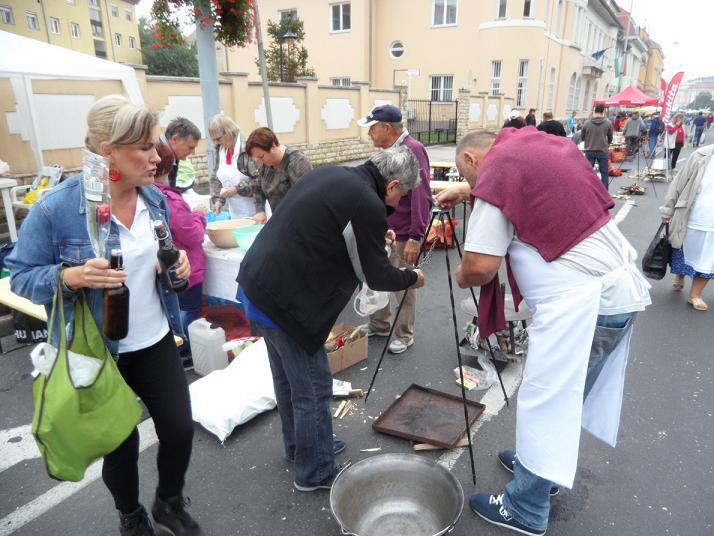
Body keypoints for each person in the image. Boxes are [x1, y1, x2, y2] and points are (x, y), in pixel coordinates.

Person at [435, 128, 650, 536]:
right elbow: (520, 194)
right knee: (562, 401)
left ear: (474, 160)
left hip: (585, 309)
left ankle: (525, 506)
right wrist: (466, 191)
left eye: (466, 174)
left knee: (548, 401)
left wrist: (462, 275)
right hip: (614, 295)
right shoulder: (527, 149)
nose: (473, 184)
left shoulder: (497, 174)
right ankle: (538, 470)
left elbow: (480, 267)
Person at [5, 95, 201, 536]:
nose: (157, 157)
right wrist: (71, 276)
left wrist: (175, 265)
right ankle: (130, 515)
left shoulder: (154, 198)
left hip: (154, 339)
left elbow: (160, 254)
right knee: (120, 443)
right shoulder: (56, 208)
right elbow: (20, 278)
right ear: (107, 150)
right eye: (145, 148)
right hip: (98, 351)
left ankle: (168, 502)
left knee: (179, 429)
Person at [237, 146, 425, 492]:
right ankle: (316, 470)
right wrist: (412, 277)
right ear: (392, 184)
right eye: (402, 195)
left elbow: (334, 230)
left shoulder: (335, 174)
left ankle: (303, 447)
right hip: (284, 303)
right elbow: (377, 276)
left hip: (257, 285)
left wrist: (374, 235)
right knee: (313, 388)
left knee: (289, 380)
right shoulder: (366, 202)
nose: (400, 203)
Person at [356, 104, 432, 354]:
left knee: (403, 284)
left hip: (403, 230)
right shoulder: (386, 151)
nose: (369, 133)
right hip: (383, 227)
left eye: (372, 128)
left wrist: (415, 236)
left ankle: (404, 333)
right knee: (376, 276)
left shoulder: (413, 149)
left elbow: (422, 195)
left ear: (387, 127)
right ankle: (379, 323)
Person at [154, 141, 208, 365]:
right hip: (184, 267)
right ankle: (183, 350)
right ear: (167, 167)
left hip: (166, 266)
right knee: (187, 309)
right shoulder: (169, 199)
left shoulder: (147, 195)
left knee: (175, 309)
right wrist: (199, 215)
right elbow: (192, 235)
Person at [661, 144, 714, 311]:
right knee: (683, 253)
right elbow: (679, 184)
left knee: (708, 260)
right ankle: (680, 274)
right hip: (691, 217)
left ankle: (695, 295)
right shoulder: (701, 156)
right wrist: (668, 210)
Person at [245, 126, 312, 224]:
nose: (260, 161)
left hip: (299, 222)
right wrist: (260, 210)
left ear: (273, 146)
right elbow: (257, 187)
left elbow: (307, 198)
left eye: (262, 156)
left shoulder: (296, 162)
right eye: (257, 158)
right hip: (280, 221)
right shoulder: (265, 164)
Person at [208, 114, 257, 220]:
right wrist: (218, 200)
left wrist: (237, 189)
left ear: (228, 132)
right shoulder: (220, 150)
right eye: (214, 140)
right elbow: (216, 178)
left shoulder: (247, 149)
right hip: (235, 212)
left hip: (256, 211)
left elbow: (260, 180)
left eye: (218, 139)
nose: (216, 143)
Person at [582, 103, 614, 190]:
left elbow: (582, 136)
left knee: (588, 172)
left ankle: (588, 190)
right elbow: (610, 137)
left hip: (590, 150)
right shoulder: (608, 123)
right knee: (604, 173)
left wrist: (588, 141)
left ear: (595, 111)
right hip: (602, 150)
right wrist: (607, 143)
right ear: (603, 111)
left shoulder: (587, 123)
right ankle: (605, 192)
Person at [163, 117, 201, 187]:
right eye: (190, 147)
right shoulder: (158, 158)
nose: (193, 153)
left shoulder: (172, 156)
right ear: (175, 139)